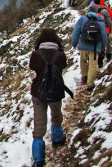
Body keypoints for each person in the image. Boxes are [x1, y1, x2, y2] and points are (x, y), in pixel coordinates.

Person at [29, 28, 68, 167]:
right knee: (56, 115)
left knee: (39, 125)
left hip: (38, 92)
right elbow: (63, 66)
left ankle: (39, 159)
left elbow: (32, 67)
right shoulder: (60, 54)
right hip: (56, 91)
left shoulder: (36, 54)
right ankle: (57, 139)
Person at [71, 7, 107, 91]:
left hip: (83, 45)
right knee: (92, 64)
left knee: (83, 61)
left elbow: (76, 31)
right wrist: (102, 46)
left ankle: (85, 76)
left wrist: (74, 43)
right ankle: (90, 84)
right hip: (94, 47)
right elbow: (104, 35)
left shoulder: (83, 19)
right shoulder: (100, 22)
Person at [89, 0, 112, 67]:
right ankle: (108, 56)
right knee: (107, 44)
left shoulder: (93, 10)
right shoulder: (107, 10)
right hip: (106, 30)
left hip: (95, 30)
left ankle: (97, 61)